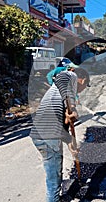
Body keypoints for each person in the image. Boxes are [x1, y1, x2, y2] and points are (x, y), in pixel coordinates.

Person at [29, 67, 90, 202]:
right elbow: (63, 79)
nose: (83, 90)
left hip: (43, 135)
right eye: (85, 86)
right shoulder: (69, 76)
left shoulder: (61, 96)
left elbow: (61, 126)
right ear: (83, 80)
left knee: (54, 173)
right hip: (47, 136)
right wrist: (73, 107)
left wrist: (70, 143)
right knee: (54, 180)